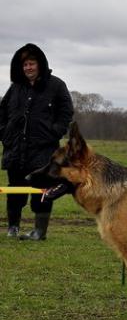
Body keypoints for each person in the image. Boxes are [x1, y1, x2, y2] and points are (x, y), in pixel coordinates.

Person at [1, 43, 74, 240]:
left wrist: (54, 132)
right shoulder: (16, 88)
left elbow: (66, 112)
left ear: (39, 64)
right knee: (14, 190)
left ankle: (39, 231)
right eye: (25, 65)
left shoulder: (56, 86)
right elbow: (2, 111)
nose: (28, 68)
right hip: (15, 149)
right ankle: (13, 227)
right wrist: (4, 134)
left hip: (43, 151)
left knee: (42, 190)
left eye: (31, 64)